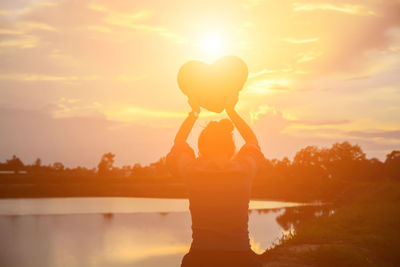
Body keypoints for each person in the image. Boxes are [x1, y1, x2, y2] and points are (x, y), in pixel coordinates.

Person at [166, 94, 264, 267]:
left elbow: (179, 142)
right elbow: (252, 141)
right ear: (231, 147)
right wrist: (231, 111)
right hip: (240, 258)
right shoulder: (244, 170)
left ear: (201, 147)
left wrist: (194, 113)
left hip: (200, 258)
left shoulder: (192, 170)